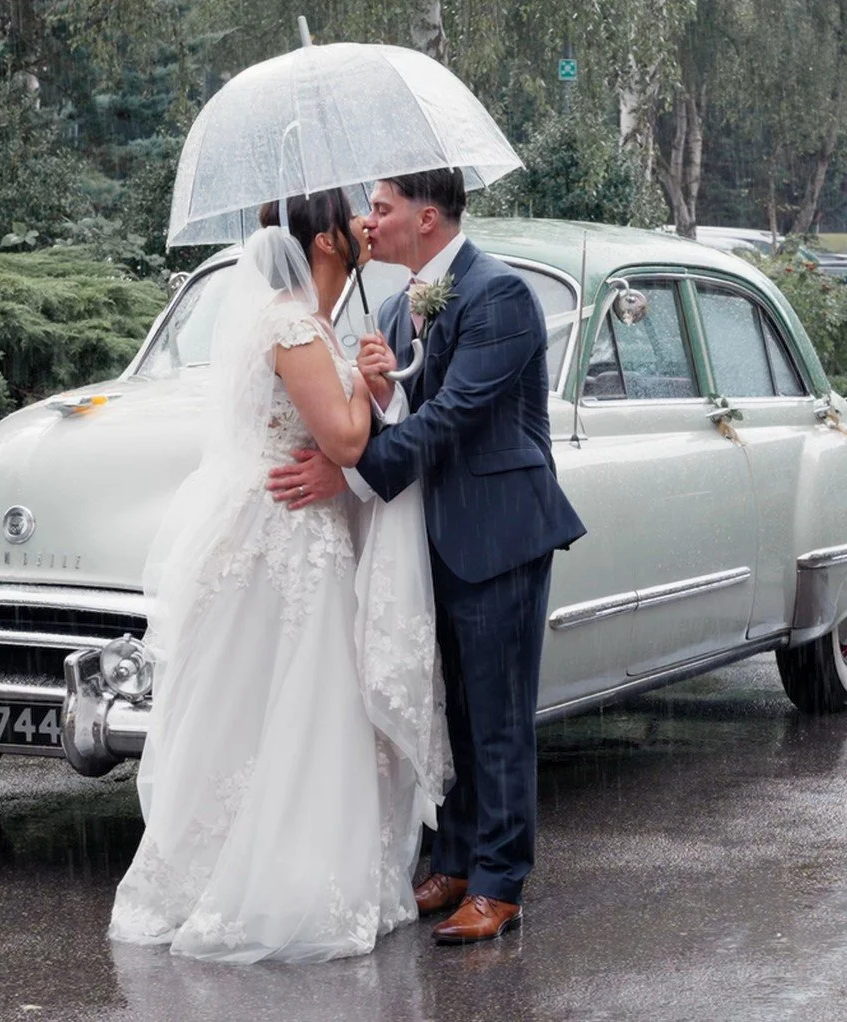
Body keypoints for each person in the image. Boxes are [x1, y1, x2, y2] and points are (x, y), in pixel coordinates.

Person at [108, 190, 451, 964]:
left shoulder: (311, 323)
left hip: (295, 532)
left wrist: (366, 375)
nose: (370, 224)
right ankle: (271, 882)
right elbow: (344, 440)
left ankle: (277, 860)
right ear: (326, 239)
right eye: (357, 216)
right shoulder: (295, 326)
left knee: (276, 711)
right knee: (294, 704)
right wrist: (368, 389)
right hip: (288, 539)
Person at [269, 168, 587, 945]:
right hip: (423, 539)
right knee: (449, 710)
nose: (369, 222)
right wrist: (362, 414)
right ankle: (452, 856)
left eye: (382, 209)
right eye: (367, 212)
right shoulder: (392, 306)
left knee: (499, 714)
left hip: (497, 530)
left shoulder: (501, 296)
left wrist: (350, 468)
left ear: (429, 216)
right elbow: (396, 414)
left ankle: (500, 881)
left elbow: (451, 417)